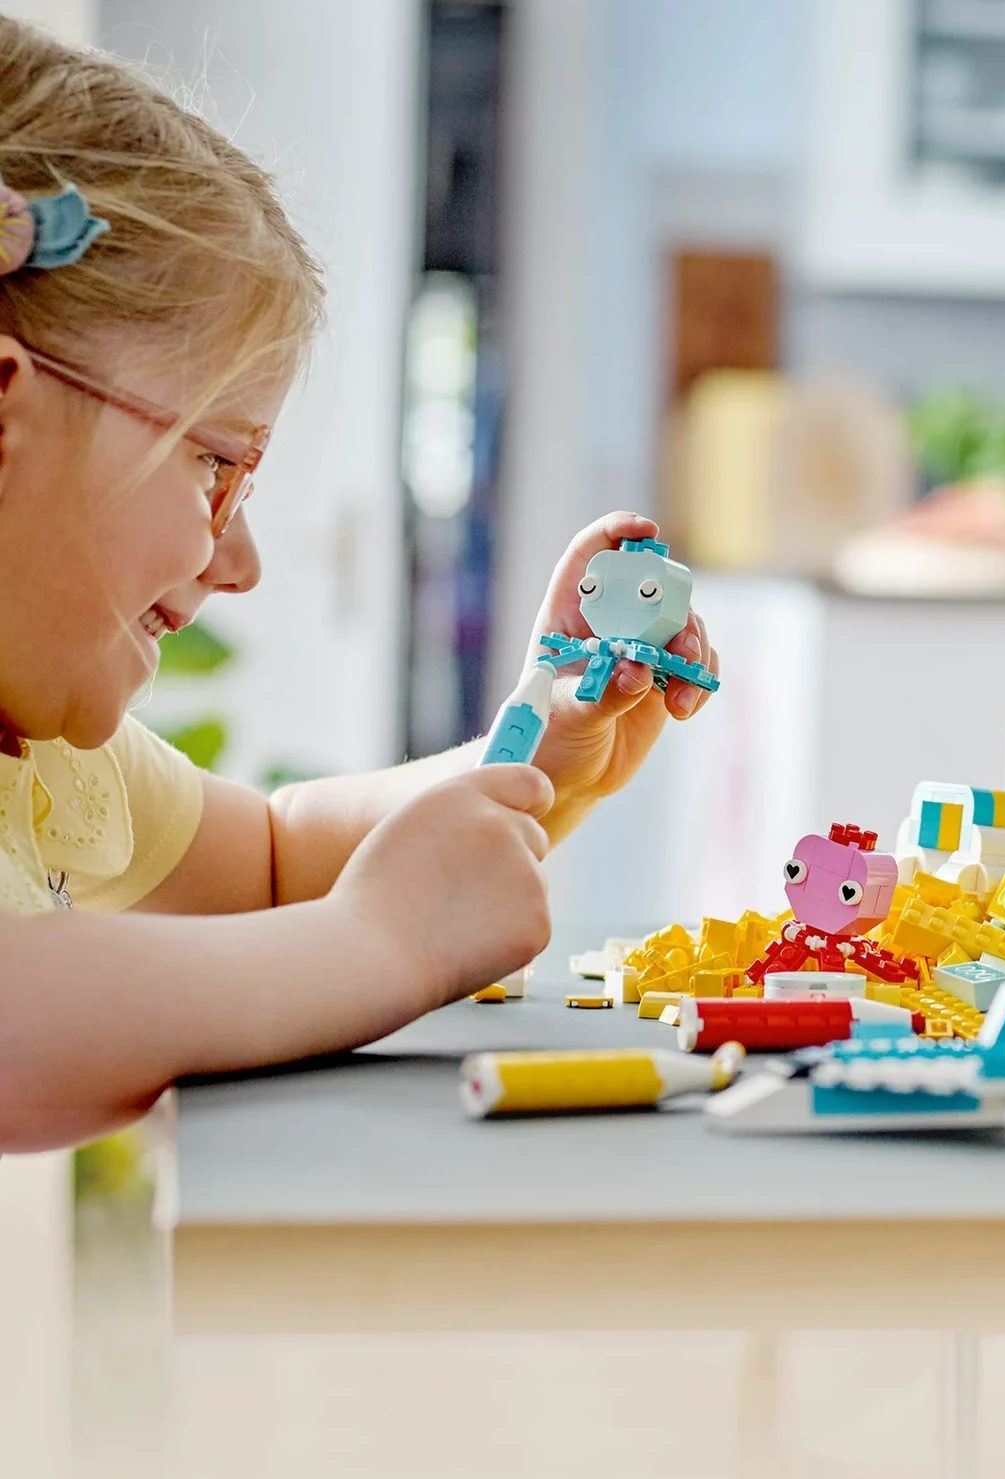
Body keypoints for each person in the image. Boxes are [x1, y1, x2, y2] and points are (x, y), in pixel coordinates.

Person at [0, 17, 717, 1150]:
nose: (238, 563)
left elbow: (274, 866)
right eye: (214, 466)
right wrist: (375, 948)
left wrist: (532, 742)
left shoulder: (36, 762)